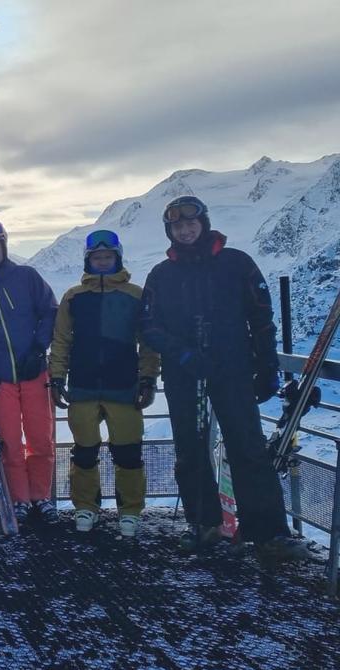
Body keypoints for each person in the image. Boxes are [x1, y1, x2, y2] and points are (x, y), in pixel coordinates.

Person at [141, 196, 308, 561]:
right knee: (190, 448)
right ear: (170, 231)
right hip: (185, 373)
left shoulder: (236, 264)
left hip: (233, 369)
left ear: (204, 223)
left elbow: (261, 318)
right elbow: (148, 326)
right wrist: (183, 354)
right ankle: (204, 523)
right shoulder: (161, 275)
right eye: (177, 226)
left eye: (191, 223)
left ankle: (268, 533)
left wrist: (267, 366)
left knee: (247, 447)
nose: (185, 230)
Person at [48, 230, 160, 537]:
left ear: (117, 258)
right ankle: (86, 506)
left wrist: (148, 379)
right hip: (83, 386)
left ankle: (130, 511)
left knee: (128, 453)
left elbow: (148, 343)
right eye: (96, 257)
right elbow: (61, 340)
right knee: (84, 452)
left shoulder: (135, 295)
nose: (102, 262)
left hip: (123, 386)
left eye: (107, 257)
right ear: (88, 261)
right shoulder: (74, 297)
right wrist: (56, 377)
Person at [0, 219, 60, 525]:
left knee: (41, 439)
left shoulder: (26, 277)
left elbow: (50, 312)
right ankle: (19, 499)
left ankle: (41, 497)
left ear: (3, 249)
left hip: (33, 371)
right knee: (9, 443)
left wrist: (39, 348)